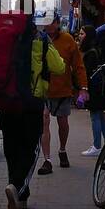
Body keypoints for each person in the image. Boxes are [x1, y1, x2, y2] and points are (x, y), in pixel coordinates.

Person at [0, 0, 65, 209]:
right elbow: (59, 67)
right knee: (30, 148)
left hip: (6, 102)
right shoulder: (41, 38)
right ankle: (18, 188)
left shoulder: (3, 35)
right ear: (34, 12)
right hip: (32, 102)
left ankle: (16, 191)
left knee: (12, 148)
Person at [36, 11, 88, 174]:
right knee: (44, 122)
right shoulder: (38, 39)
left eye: (52, 22)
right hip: (43, 89)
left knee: (62, 123)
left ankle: (63, 150)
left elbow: (78, 65)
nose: (49, 25)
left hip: (63, 89)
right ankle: (47, 159)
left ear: (58, 23)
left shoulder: (68, 40)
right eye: (46, 22)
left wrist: (83, 88)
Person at [80, 27, 105, 157]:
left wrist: (84, 89)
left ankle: (97, 146)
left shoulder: (91, 53)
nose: (80, 36)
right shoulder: (96, 50)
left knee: (95, 116)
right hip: (99, 89)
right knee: (100, 116)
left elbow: (87, 73)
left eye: (82, 33)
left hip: (93, 89)